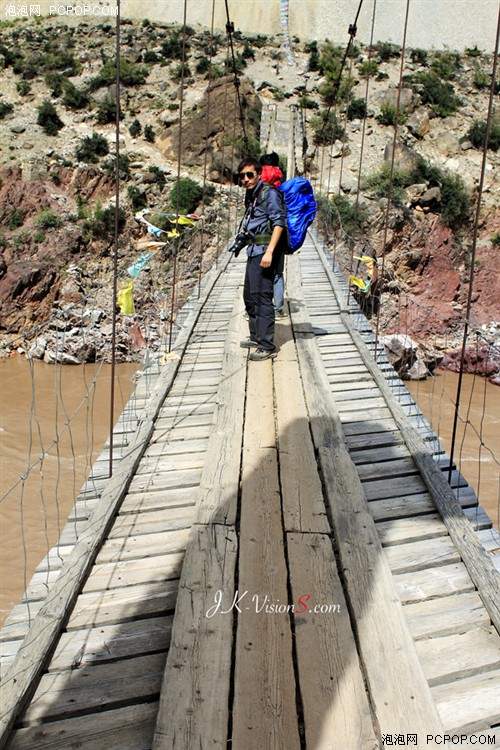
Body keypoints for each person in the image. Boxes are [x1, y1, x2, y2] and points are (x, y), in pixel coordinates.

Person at [238, 157, 286, 361]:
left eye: (250, 174)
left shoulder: (269, 193)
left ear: (258, 174)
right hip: (253, 249)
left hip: (264, 251)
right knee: (249, 295)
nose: (246, 179)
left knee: (262, 297)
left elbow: (279, 223)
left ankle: (267, 345)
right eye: (242, 176)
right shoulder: (253, 195)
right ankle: (257, 336)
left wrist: (270, 252)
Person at [259, 153, 286, 317]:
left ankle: (262, 307)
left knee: (261, 272)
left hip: (263, 236)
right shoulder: (282, 184)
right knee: (278, 273)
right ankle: (278, 309)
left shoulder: (259, 184)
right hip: (281, 235)